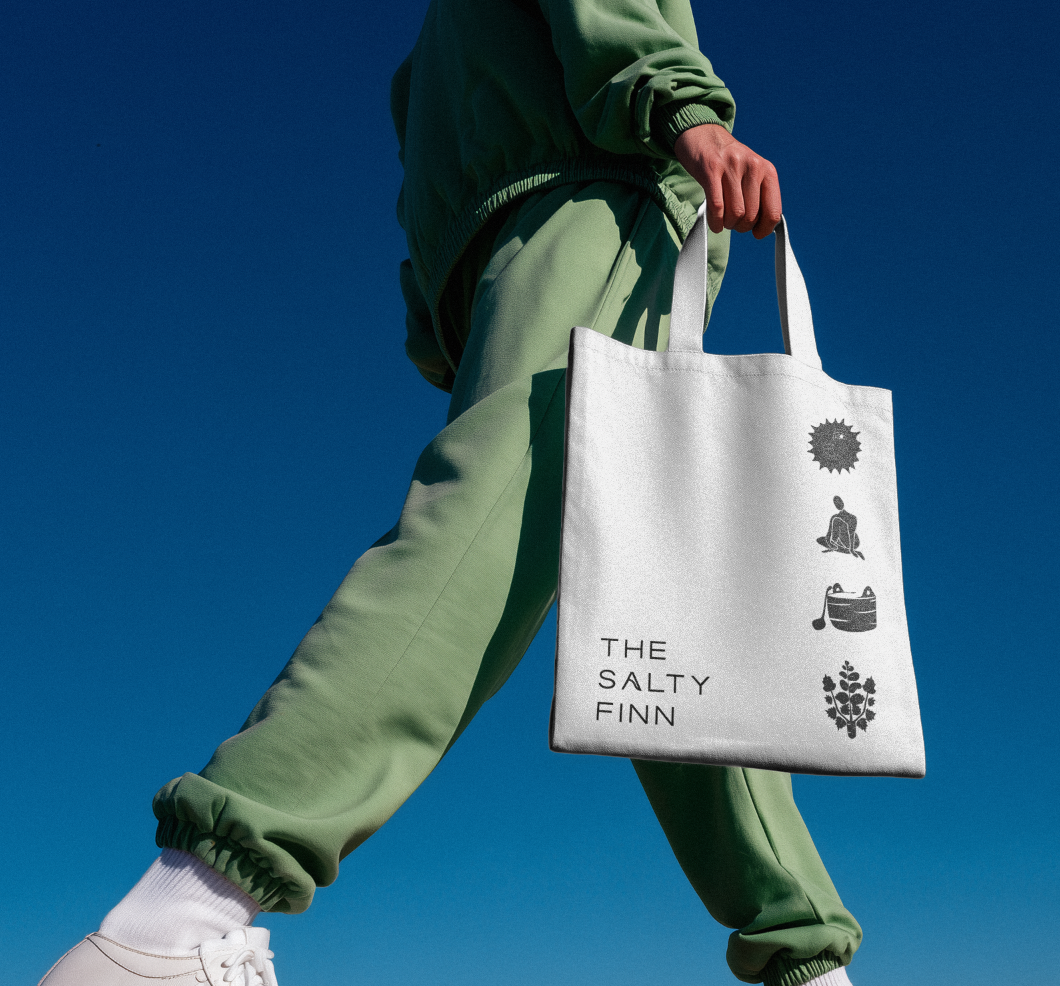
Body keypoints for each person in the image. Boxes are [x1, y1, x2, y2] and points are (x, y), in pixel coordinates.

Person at [36, 2, 863, 985]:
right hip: (601, 205)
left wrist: (454, 318)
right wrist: (686, 114)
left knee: (665, 624)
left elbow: (426, 164)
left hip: (520, 241)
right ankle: (177, 916)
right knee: (489, 526)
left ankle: (807, 961)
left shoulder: (434, 41)